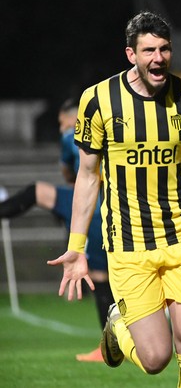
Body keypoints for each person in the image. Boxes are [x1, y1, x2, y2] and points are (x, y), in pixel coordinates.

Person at [47, 11, 181, 388]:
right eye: (148, 50)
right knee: (155, 359)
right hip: (129, 245)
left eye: (164, 49)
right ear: (131, 54)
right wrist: (77, 247)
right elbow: (87, 176)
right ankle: (117, 325)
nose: (158, 58)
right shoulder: (98, 100)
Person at [0, 98, 111, 362]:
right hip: (109, 202)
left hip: (94, 206)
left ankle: (110, 346)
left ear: (71, 119)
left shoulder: (71, 134)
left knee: (100, 275)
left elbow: (69, 174)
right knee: (38, 192)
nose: (62, 127)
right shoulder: (107, 131)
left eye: (63, 122)